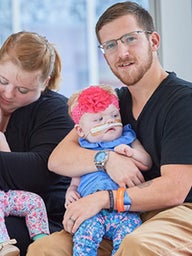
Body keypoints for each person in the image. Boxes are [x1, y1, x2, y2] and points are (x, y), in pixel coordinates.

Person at [27, 1, 192, 256]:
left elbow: (175, 189)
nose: (121, 52)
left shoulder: (183, 101)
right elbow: (58, 159)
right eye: (111, 45)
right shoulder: (113, 103)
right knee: (45, 248)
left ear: (154, 41)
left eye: (130, 39)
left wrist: (103, 198)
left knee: (138, 245)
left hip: (181, 211)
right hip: (127, 214)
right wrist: (106, 159)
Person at [0, 31, 74, 256]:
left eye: (23, 90)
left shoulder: (56, 111)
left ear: (45, 83)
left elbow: (38, 171)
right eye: (2, 80)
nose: (8, 93)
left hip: (41, 217)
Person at [65, 84, 152, 255]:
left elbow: (147, 162)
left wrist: (131, 153)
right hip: (91, 211)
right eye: (99, 120)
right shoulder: (82, 150)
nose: (109, 121)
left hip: (124, 211)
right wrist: (71, 191)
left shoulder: (127, 138)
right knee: (84, 241)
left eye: (114, 115)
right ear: (81, 130)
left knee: (128, 239)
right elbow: (75, 180)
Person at [0, 135, 50, 256]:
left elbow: (9, 165)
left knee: (35, 201)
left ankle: (42, 239)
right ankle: (4, 244)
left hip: (5, 192)